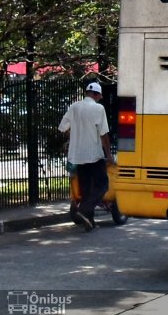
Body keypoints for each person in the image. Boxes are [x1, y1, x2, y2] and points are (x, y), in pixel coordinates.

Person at [58, 82, 113, 231]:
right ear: (95, 94)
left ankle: (89, 222)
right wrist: (109, 155)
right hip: (94, 155)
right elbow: (104, 134)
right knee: (102, 185)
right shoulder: (98, 108)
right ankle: (83, 210)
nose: (100, 99)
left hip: (77, 156)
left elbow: (62, 127)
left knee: (87, 189)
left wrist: (75, 135)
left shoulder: (74, 107)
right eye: (99, 96)